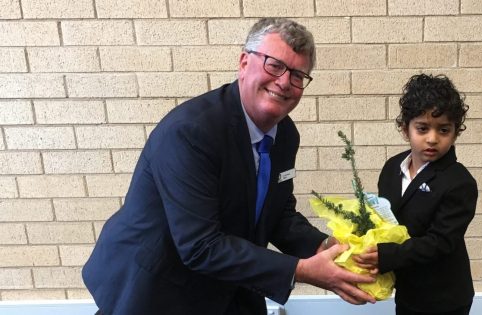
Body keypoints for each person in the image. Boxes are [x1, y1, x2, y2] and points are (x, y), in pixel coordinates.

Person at [82, 17, 376, 315]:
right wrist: (300, 270)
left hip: (228, 284)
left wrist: (322, 247)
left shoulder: (286, 135)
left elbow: (277, 213)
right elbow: (201, 245)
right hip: (157, 289)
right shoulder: (192, 132)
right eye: (274, 65)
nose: (285, 81)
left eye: (298, 75)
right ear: (244, 62)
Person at [354, 74, 478, 315]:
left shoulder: (460, 182)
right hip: (408, 289)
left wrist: (385, 256)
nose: (432, 138)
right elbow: (385, 220)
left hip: (444, 296)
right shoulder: (392, 168)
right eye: (422, 128)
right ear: (405, 129)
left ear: (455, 133)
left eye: (443, 130)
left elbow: (439, 243)